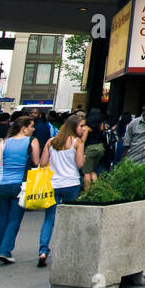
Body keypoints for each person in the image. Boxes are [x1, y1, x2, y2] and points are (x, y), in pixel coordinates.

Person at [37, 113, 88, 267]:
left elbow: (42, 163)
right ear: (74, 127)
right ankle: (66, 251)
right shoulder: (77, 142)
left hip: (53, 184)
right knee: (69, 218)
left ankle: (43, 251)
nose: (84, 128)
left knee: (49, 219)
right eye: (81, 126)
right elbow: (80, 164)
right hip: (71, 183)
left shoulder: (51, 142)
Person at [0, 115, 36, 263]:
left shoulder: (4, 142)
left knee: (2, 219)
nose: (33, 129)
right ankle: (5, 250)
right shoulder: (32, 142)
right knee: (14, 219)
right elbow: (37, 163)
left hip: (1, 185)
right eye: (31, 126)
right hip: (20, 185)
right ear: (24, 128)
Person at [81, 109, 108, 187]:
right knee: (92, 170)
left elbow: (83, 141)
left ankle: (87, 192)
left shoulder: (87, 128)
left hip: (90, 149)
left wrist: (81, 152)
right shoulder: (101, 125)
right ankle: (96, 189)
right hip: (100, 148)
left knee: (86, 172)